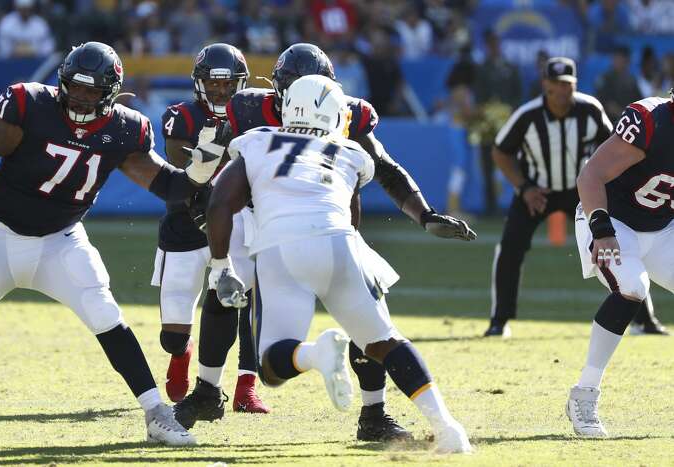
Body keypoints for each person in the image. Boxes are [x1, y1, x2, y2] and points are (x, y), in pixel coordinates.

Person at [174, 42, 476, 441]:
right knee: (371, 326)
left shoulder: (273, 130)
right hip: (262, 216)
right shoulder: (254, 111)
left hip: (294, 228)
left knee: (260, 317)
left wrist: (424, 213)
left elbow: (385, 169)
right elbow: (214, 169)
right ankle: (208, 391)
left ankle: (373, 413)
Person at [0, 42, 222, 446]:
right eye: (76, 87)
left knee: (105, 313)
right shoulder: (29, 104)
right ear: (62, 82)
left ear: (110, 91)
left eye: (92, 91)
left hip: (61, 242)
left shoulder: (125, 128)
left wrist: (197, 171)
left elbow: (167, 185)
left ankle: (157, 414)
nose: (82, 97)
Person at [484, 57, 667, 338]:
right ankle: (499, 320)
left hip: (579, 188)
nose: (562, 90)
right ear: (545, 84)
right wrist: (523, 188)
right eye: (556, 84)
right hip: (537, 191)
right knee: (510, 248)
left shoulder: (590, 109)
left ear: (575, 85)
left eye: (567, 84)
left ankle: (645, 320)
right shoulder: (528, 114)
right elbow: (500, 151)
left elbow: (614, 146)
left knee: (622, 244)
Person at [152, 42, 269, 413]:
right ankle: (181, 352)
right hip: (186, 223)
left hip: (237, 221)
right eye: (212, 83)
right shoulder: (182, 115)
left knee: (243, 299)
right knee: (172, 333)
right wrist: (212, 152)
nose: (220, 90)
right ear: (199, 83)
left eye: (227, 83)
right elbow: (179, 167)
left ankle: (245, 387)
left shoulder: (255, 115)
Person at [567, 91, 674, 437]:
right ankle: (584, 393)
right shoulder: (650, 120)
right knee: (631, 286)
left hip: (663, 227)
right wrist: (601, 230)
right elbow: (590, 176)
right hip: (612, 221)